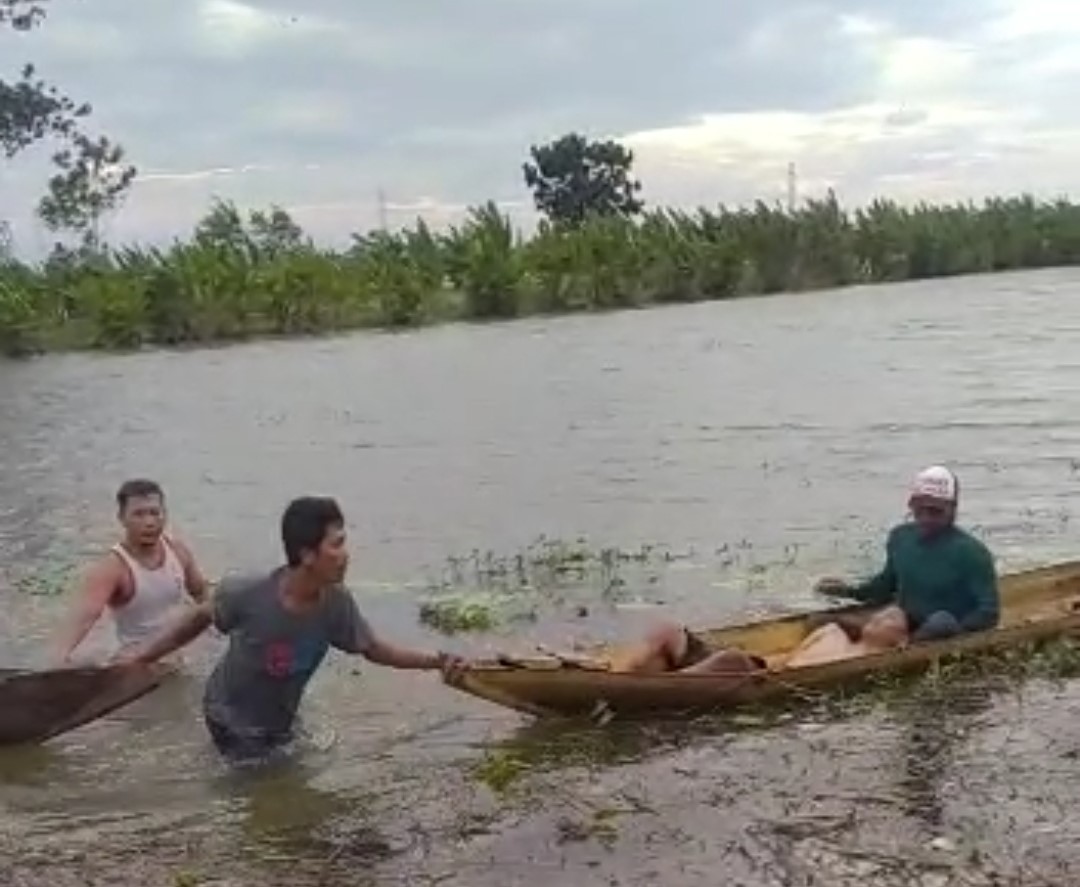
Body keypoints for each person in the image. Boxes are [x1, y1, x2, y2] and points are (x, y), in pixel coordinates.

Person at [119, 495, 467, 764]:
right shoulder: (247, 592)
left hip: (277, 722)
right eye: (337, 544)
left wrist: (437, 661)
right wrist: (144, 657)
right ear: (307, 554)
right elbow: (199, 618)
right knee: (264, 787)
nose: (346, 554)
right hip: (227, 716)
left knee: (289, 766)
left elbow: (375, 649)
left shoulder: (336, 604)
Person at [815, 465, 1000, 643]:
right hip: (906, 623)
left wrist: (959, 635)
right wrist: (848, 591)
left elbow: (989, 612)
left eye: (936, 511)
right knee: (819, 621)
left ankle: (904, 649)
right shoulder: (900, 538)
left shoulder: (971, 552)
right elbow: (885, 586)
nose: (926, 518)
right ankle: (889, 641)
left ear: (952, 509)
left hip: (943, 629)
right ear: (911, 504)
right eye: (920, 510)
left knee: (941, 622)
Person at [53, 478, 209, 665]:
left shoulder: (178, 552)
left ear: (164, 515)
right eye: (139, 515)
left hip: (175, 651)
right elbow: (86, 616)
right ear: (122, 518)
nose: (149, 522)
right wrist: (59, 658)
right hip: (134, 659)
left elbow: (202, 595)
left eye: (155, 513)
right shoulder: (113, 568)